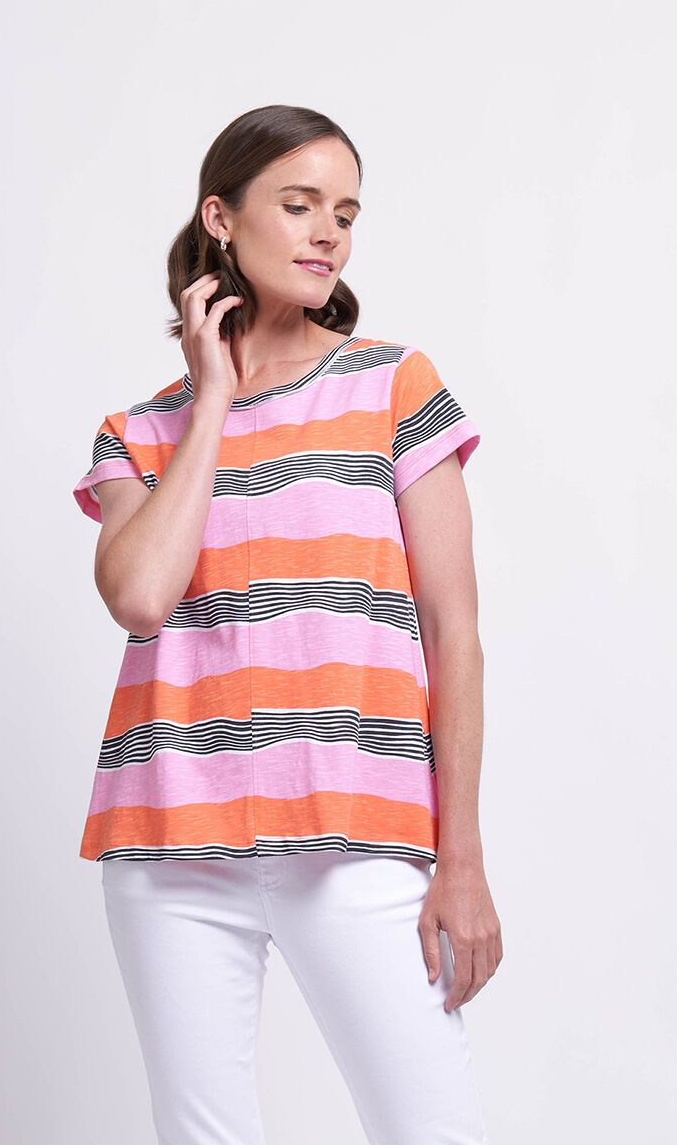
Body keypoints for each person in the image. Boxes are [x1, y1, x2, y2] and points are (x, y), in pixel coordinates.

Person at [72, 104, 501, 1144]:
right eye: (299, 205)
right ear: (220, 218)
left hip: (355, 827)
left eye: (344, 214)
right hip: (171, 832)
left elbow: (452, 633)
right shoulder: (142, 432)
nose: (327, 235)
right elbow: (140, 596)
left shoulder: (392, 385)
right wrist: (212, 399)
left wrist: (461, 860)